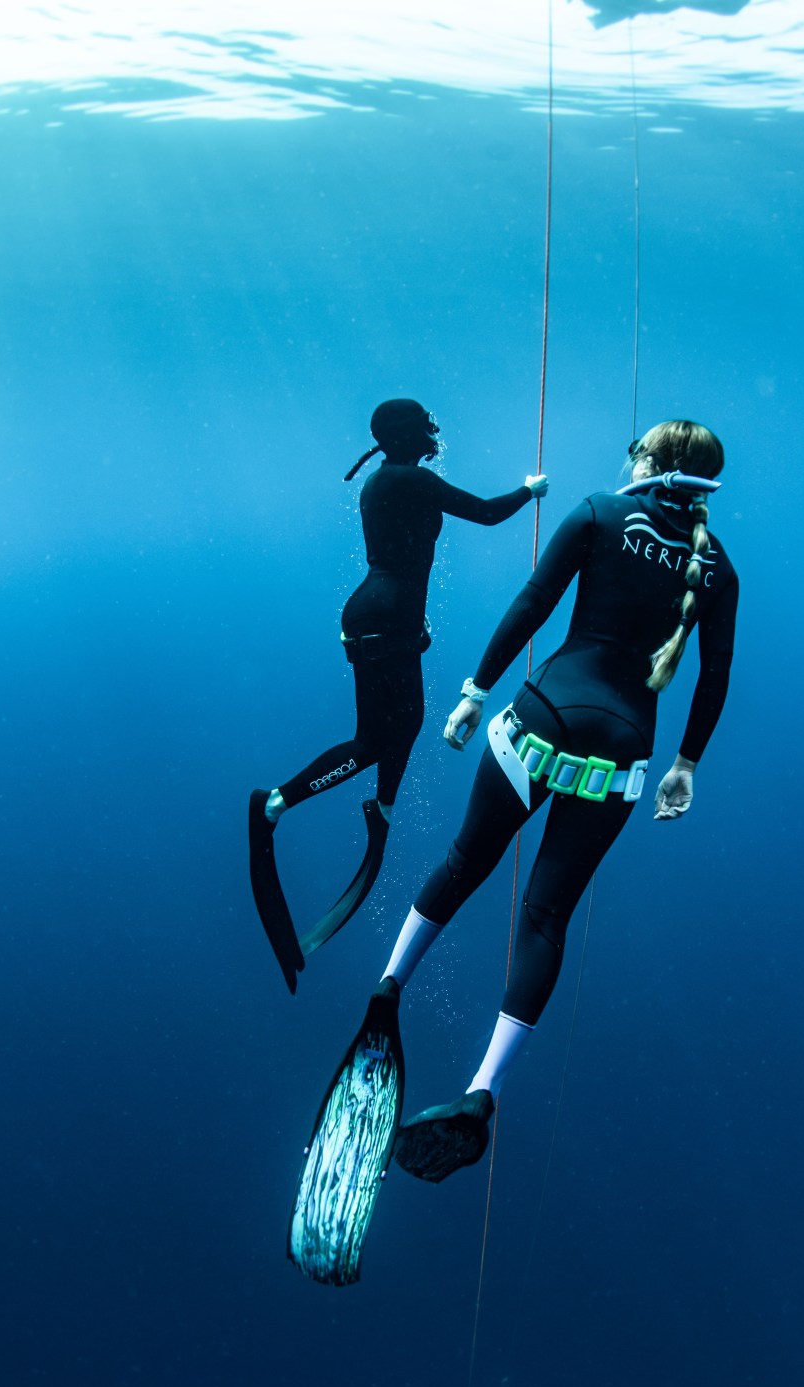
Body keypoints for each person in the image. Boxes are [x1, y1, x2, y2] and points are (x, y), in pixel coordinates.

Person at [365, 419, 739, 1182]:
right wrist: (686, 766)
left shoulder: (600, 511)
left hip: (543, 720)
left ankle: (389, 986)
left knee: (465, 862)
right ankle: (482, 1092)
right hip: (624, 751)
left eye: (636, 451)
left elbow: (534, 602)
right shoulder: (718, 566)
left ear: (652, 462)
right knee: (545, 916)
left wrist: (475, 691)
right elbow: (715, 674)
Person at [249, 397, 548, 992]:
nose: (434, 434)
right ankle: (275, 803)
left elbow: (402, 555)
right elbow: (487, 513)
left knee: (404, 726)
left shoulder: (385, 481)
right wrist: (529, 490)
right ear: (408, 434)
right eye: (425, 426)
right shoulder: (411, 480)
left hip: (381, 620)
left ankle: (378, 810)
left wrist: (411, 627)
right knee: (374, 741)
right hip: (384, 621)